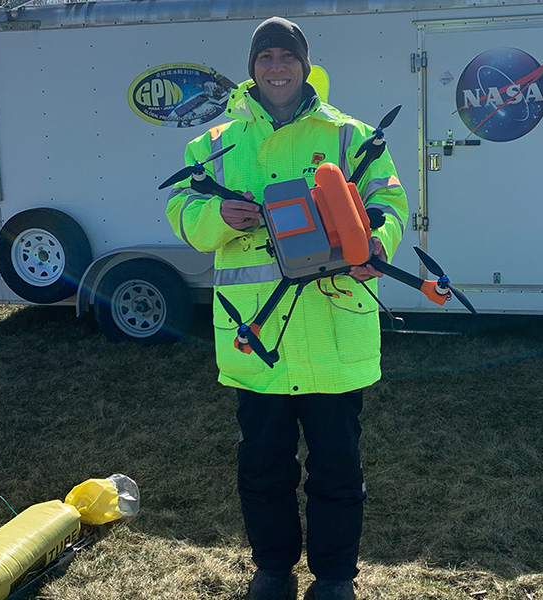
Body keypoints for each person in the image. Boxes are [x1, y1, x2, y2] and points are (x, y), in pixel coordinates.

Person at [165, 16, 408, 600]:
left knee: (337, 470)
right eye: (265, 57)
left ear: (305, 65)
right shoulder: (215, 143)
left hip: (333, 333)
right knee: (263, 469)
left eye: (287, 57)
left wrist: (378, 242)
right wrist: (212, 218)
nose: (277, 67)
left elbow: (390, 202)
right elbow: (179, 209)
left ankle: (333, 579)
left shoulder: (352, 135)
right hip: (258, 336)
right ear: (252, 68)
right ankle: (273, 570)